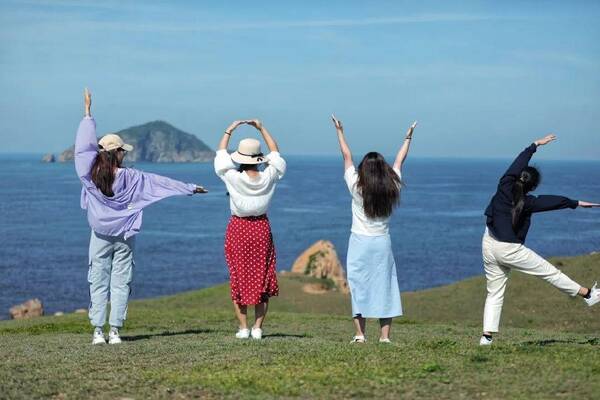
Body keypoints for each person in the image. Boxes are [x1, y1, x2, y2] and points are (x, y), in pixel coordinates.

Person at [75, 88, 207, 345]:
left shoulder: (89, 173)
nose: (125, 153)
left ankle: (97, 332)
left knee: (98, 280)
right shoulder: (133, 178)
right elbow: (161, 183)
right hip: (125, 235)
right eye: (123, 150)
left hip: (100, 234)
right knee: (121, 281)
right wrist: (190, 188)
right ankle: (114, 331)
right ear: (117, 153)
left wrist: (88, 114)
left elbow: (83, 149)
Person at [480, 134, 600, 346]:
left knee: (494, 292)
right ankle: (588, 294)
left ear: (517, 177)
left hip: (489, 243)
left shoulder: (504, 185)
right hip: (510, 249)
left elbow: (517, 164)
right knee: (550, 273)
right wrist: (577, 203)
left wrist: (534, 145)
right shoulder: (529, 202)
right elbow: (553, 201)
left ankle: (486, 338)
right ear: (532, 187)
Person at [332, 114, 417, 343]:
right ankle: (384, 337)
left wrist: (340, 131)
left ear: (364, 170)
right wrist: (408, 138)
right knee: (385, 285)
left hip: (359, 241)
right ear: (383, 170)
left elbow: (347, 156)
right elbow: (400, 161)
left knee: (358, 285)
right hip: (382, 242)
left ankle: (360, 335)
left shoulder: (356, 187)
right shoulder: (392, 187)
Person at [214, 119, 286, 340]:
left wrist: (230, 129)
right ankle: (257, 328)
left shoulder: (232, 177)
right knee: (262, 276)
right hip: (261, 228)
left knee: (239, 276)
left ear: (241, 159)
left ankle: (243, 328)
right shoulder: (269, 177)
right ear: (258, 159)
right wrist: (261, 127)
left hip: (239, 228)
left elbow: (221, 153)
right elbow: (275, 153)